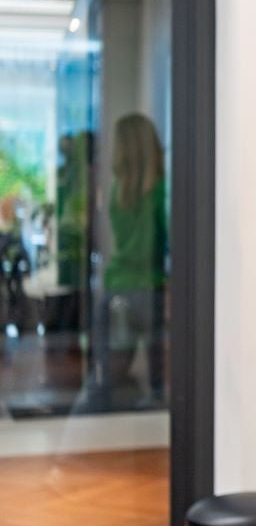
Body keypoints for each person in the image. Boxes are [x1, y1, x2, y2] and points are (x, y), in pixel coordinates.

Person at [90, 113, 167, 409]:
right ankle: (152, 400)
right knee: (156, 369)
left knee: (108, 373)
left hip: (118, 286)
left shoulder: (117, 191)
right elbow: (167, 238)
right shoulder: (160, 191)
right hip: (150, 287)